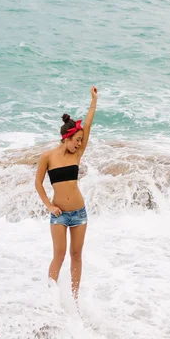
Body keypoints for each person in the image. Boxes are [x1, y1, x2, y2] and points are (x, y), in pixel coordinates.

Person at [35, 86, 98, 301]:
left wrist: (93, 101)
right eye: (77, 140)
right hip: (59, 214)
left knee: (76, 255)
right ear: (67, 138)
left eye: (81, 140)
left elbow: (88, 125)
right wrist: (50, 207)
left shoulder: (77, 154)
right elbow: (38, 184)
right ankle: (50, 298)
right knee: (59, 255)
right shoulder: (48, 157)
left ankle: (74, 298)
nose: (80, 144)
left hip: (79, 213)